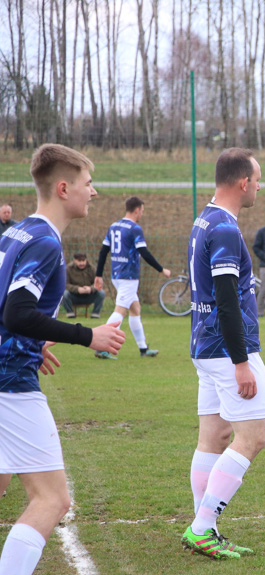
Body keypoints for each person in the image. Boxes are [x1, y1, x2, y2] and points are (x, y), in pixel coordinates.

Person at [0, 144, 125, 575]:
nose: (94, 192)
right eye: (89, 184)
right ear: (64, 187)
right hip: (10, 384)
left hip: (9, 367)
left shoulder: (16, 233)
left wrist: (34, 343)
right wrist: (87, 335)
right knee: (53, 499)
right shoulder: (45, 243)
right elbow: (16, 312)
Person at [181, 147, 265, 561]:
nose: (259, 187)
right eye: (258, 179)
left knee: (213, 436)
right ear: (243, 183)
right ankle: (201, 526)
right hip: (226, 348)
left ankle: (206, 527)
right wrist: (241, 362)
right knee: (252, 438)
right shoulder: (227, 230)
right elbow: (227, 301)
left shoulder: (205, 218)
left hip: (203, 344)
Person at [94, 196, 171, 359]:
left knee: (135, 309)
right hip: (128, 276)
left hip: (116, 274)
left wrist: (98, 275)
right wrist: (161, 269)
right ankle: (102, 346)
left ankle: (143, 349)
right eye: (142, 211)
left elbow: (103, 252)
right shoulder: (134, 228)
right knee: (120, 310)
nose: (142, 214)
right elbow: (144, 252)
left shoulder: (114, 226)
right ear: (137, 210)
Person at [61, 253, 105, 319]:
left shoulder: (92, 268)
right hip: (74, 296)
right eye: (79, 261)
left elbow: (98, 283)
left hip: (89, 296)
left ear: (86, 260)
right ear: (74, 260)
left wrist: (90, 289)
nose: (82, 263)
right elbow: (65, 285)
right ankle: (70, 313)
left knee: (101, 293)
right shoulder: (68, 269)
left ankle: (95, 314)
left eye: (83, 261)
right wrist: (77, 289)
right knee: (64, 294)